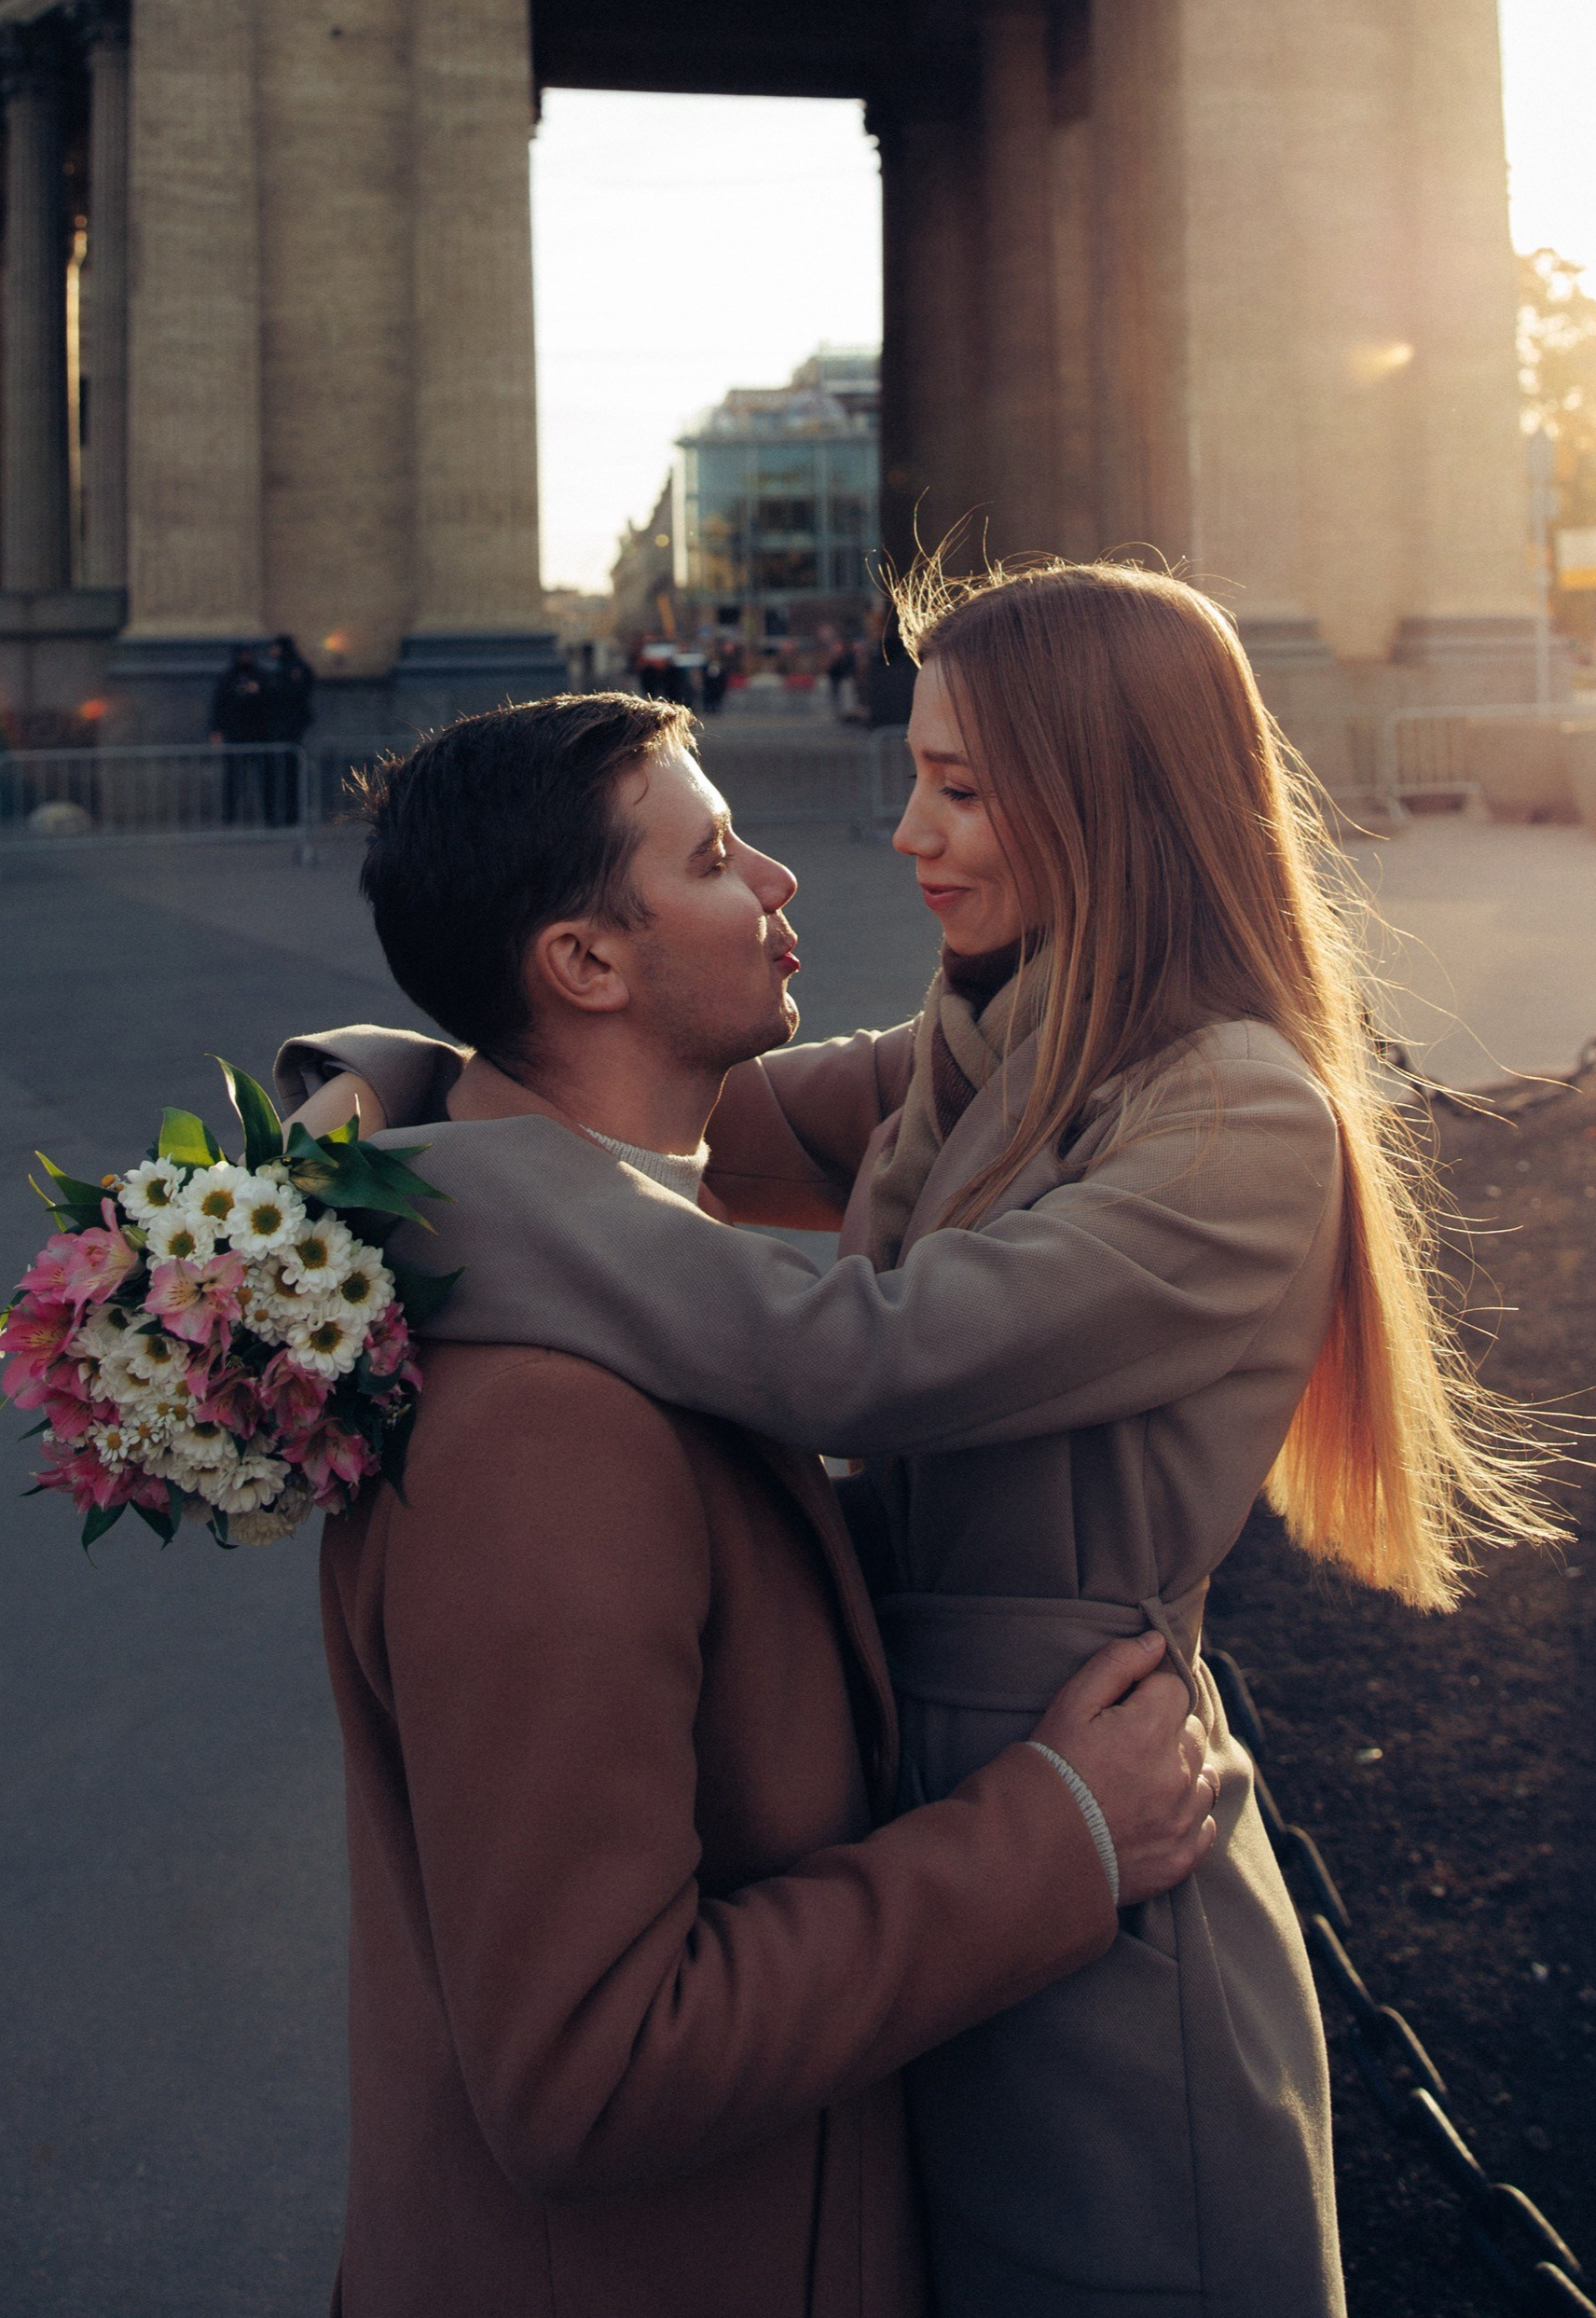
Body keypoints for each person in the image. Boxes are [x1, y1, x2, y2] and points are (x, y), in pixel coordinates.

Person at [283, 562, 1565, 2318]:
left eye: (957, 787)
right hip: (918, 1815)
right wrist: (349, 1128)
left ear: (1104, 798)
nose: (899, 834)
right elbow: (631, 1091)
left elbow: (856, 1357)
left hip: (1088, 1831)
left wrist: (407, 1203)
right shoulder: (983, 1046)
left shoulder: (1233, 1116)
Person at [284, 693, 1219, 2318]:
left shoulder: (596, 1261)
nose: (781, 878)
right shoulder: (544, 1431)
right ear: (585, 964)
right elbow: (590, 2066)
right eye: (716, 855)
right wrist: (1058, 1836)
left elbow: (930, 1083)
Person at [207, 642, 272, 822]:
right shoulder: (228, 677)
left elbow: (269, 703)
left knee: (264, 778)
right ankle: (230, 816)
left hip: (258, 733)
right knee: (234, 779)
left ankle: (269, 816)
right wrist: (216, 729)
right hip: (236, 733)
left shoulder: (260, 676)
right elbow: (219, 705)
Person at [259, 632, 316, 825]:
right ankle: (275, 817)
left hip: (288, 729)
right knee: (275, 776)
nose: (271, 651)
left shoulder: (293, 669)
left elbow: (298, 692)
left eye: (275, 647)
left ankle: (290, 816)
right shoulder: (275, 670)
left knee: (290, 776)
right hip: (275, 729)